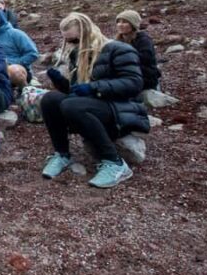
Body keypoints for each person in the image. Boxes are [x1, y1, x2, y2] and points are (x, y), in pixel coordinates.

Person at [41, 12, 149, 188]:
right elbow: (76, 91)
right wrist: (59, 81)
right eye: (68, 40)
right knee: (50, 99)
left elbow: (134, 83)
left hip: (120, 109)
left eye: (74, 40)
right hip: (92, 105)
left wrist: (94, 87)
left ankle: (115, 163)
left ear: (86, 32)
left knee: (71, 105)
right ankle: (62, 154)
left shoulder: (118, 49)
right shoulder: (79, 53)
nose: (71, 44)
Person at [0, 8, 39, 81]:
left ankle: (23, 86)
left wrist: (13, 63)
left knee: (13, 72)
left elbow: (33, 53)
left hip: (17, 71)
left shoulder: (16, 34)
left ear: (0, 19)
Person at [115, 10, 161, 91]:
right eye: (118, 22)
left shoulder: (143, 40)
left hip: (145, 78)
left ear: (133, 25)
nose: (120, 25)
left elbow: (144, 59)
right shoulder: (117, 41)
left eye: (124, 22)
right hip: (126, 76)